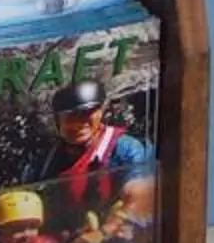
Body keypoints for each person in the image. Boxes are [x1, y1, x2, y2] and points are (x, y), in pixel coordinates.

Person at [37, 80, 154, 221]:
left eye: (87, 113)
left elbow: (138, 196)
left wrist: (107, 229)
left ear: (100, 113)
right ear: (58, 121)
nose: (79, 122)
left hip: (117, 229)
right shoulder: (48, 159)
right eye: (71, 116)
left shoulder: (126, 148)